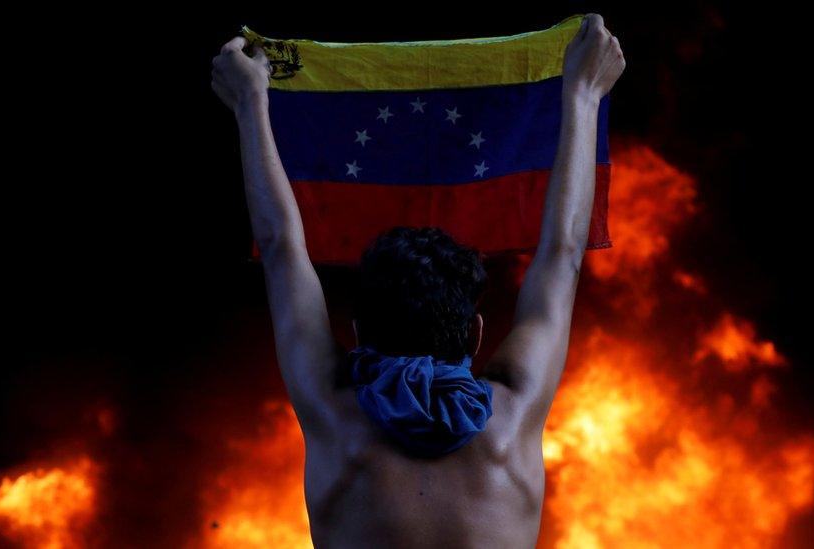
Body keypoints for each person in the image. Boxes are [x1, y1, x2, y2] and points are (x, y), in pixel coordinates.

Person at [211, 12, 624, 548]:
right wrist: (583, 97)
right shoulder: (513, 413)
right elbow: (564, 253)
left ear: (357, 334)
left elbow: (281, 247)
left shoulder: (336, 416)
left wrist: (251, 106)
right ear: (475, 333)